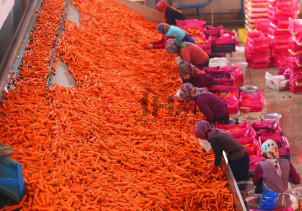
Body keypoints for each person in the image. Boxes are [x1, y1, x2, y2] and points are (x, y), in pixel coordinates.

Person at [253, 139, 301, 210]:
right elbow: (297, 181)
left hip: (269, 204)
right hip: (286, 204)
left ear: (263, 153)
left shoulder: (260, 166)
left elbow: (256, 183)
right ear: (277, 151)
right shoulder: (287, 162)